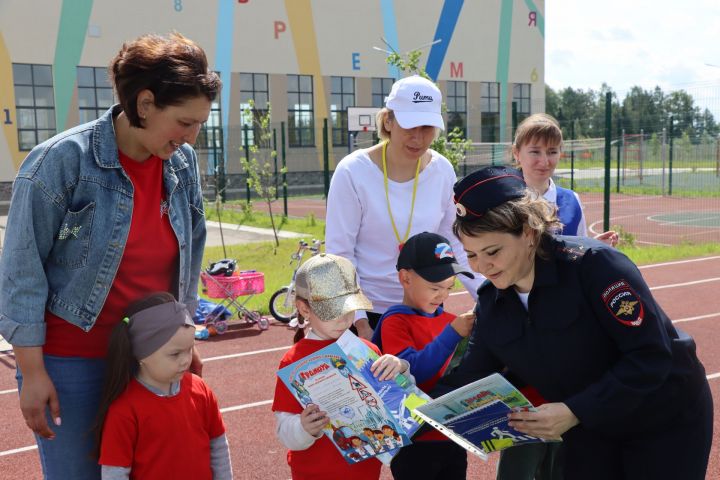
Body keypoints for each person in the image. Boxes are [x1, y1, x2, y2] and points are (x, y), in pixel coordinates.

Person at [0, 32, 219, 479]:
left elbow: (190, 255)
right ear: (144, 104)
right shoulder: (59, 162)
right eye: (184, 121)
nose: (192, 135)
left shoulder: (182, 164)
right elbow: (21, 273)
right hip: (71, 364)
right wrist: (33, 373)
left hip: (151, 362)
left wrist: (183, 334)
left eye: (199, 123)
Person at [440, 165, 713, 479]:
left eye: (492, 251)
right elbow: (471, 381)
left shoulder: (596, 268)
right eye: (471, 255)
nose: (482, 267)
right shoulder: (492, 302)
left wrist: (575, 411)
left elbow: (650, 356)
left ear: (529, 232)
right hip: (590, 424)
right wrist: (401, 397)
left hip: (663, 419)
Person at [325, 75, 482, 341]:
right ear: (388, 120)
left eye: (427, 127)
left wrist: (487, 293)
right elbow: (339, 256)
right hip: (369, 315)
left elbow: (453, 243)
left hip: (426, 310)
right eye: (410, 126)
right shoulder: (353, 172)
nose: (418, 138)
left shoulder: (442, 170)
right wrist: (360, 323)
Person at [271, 253, 413, 480]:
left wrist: (400, 369)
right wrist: (304, 428)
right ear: (304, 309)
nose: (342, 319)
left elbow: (402, 402)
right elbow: (284, 431)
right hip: (313, 474)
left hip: (365, 473)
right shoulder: (293, 361)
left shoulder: (366, 349)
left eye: (348, 309)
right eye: (332, 311)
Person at [371, 231, 475, 480]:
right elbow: (412, 373)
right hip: (415, 443)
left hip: (452, 434)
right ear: (405, 278)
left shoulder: (451, 321)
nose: (443, 296)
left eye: (449, 287)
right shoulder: (394, 322)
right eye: (435, 287)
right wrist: (452, 335)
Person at [95, 292, 232, 479]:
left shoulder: (200, 390)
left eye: (190, 349)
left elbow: (218, 445)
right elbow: (115, 472)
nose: (185, 361)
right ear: (141, 354)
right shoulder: (125, 410)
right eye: (175, 354)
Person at [512, 112, 618, 246]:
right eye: (535, 152)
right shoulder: (502, 202)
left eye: (552, 152)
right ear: (516, 153)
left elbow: (578, 252)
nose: (545, 161)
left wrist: (592, 246)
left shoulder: (572, 200)